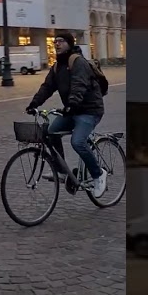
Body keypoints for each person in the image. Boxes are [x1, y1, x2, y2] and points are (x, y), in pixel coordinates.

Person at [25, 32, 107, 195]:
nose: (57, 44)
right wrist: (34, 103)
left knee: (77, 142)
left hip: (90, 110)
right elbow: (47, 87)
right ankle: (62, 171)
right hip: (72, 111)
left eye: (61, 41)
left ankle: (99, 174)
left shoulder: (77, 61)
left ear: (69, 43)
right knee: (50, 133)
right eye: (55, 41)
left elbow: (79, 85)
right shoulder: (57, 66)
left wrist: (71, 104)